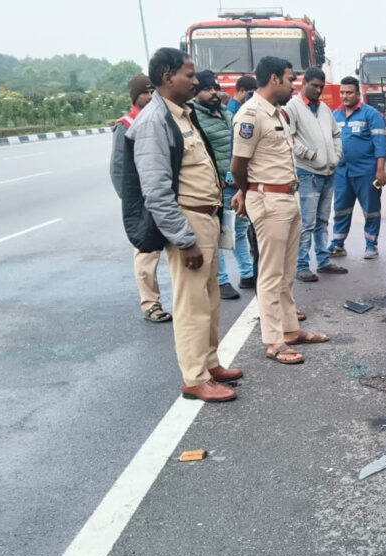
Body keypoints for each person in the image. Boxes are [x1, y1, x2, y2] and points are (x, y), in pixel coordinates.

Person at [124, 47, 240, 402]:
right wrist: (184, 239)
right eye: (189, 75)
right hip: (188, 222)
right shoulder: (154, 122)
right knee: (192, 304)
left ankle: (210, 364)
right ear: (166, 76)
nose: (195, 81)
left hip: (208, 218)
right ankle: (194, 378)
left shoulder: (183, 114)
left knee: (210, 298)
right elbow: (156, 190)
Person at [231, 56, 330, 365]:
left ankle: (290, 329)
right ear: (274, 79)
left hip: (288, 197)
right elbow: (238, 165)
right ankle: (274, 340)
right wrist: (248, 192)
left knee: (286, 273)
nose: (293, 86)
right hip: (269, 200)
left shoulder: (277, 113)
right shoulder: (250, 115)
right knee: (271, 273)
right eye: (289, 79)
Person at [110, 74, 172, 323]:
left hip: (164, 194)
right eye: (144, 93)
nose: (149, 97)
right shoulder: (126, 125)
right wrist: (132, 203)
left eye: (152, 92)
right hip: (143, 201)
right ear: (135, 97)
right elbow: (118, 169)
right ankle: (150, 304)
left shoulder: (162, 118)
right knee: (147, 253)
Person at [191, 69, 255, 298]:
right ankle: (221, 280)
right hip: (217, 187)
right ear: (196, 93)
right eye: (207, 89)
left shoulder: (227, 114)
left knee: (239, 230)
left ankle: (247, 274)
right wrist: (215, 178)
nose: (214, 93)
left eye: (216, 88)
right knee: (219, 233)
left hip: (237, 184)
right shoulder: (194, 118)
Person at [283, 66, 347, 282]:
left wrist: (337, 154)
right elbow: (289, 137)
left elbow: (336, 134)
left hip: (329, 172)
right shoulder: (292, 107)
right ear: (304, 84)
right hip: (307, 173)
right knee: (307, 223)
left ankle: (323, 261)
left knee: (322, 220)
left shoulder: (324, 108)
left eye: (321, 87)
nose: (318, 90)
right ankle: (302, 265)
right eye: (314, 86)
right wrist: (309, 155)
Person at [327, 76, 386, 260]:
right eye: (342, 92)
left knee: (371, 210)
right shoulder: (335, 115)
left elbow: (380, 143)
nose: (345, 96)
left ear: (358, 94)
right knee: (341, 209)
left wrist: (380, 170)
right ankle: (337, 244)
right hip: (342, 172)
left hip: (366, 171)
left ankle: (371, 245)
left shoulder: (371, 115)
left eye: (349, 92)